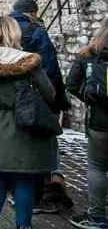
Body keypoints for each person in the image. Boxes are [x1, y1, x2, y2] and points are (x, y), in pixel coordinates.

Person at [0, 16, 57, 229]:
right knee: (24, 178)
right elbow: (50, 93)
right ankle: (23, 225)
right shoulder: (28, 63)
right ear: (15, 33)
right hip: (23, 124)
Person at [10, 0, 72, 213]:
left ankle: (18, 193)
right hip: (34, 96)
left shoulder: (3, 30)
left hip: (9, 97)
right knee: (39, 146)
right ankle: (37, 197)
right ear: (32, 12)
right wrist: (54, 97)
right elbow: (50, 68)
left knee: (17, 146)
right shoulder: (36, 31)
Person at [66, 21, 108, 229]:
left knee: (97, 167)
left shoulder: (87, 55)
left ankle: (97, 215)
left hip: (99, 121)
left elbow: (71, 84)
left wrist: (91, 100)